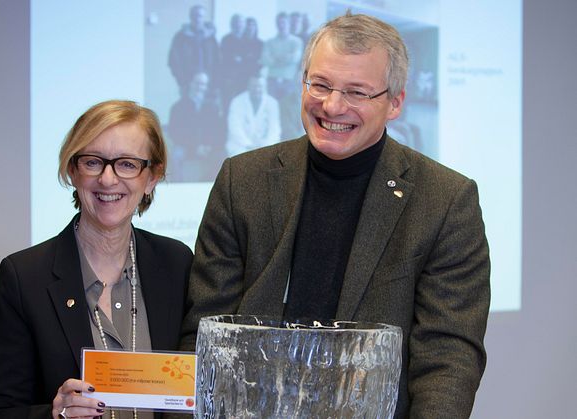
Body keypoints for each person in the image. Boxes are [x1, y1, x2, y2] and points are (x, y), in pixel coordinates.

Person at [180, 12, 490, 418]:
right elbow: (204, 331)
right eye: (320, 84)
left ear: (395, 102)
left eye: (357, 92)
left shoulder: (446, 200)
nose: (332, 105)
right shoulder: (243, 180)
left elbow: (447, 358)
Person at [0, 100, 193, 419]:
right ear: (72, 170)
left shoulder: (177, 263)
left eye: (127, 164)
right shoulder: (23, 277)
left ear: (152, 177)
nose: (108, 180)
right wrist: (55, 414)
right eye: (93, 162)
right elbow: (3, 413)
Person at [167, 72, 225, 182]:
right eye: (197, 83)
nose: (200, 87)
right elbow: (175, 133)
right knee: (176, 155)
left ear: (206, 87)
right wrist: (194, 147)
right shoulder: (178, 107)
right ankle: (178, 189)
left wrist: (208, 146)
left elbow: (217, 131)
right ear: (191, 84)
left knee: (222, 156)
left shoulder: (212, 107)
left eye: (203, 84)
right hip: (186, 147)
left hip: (208, 148)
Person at [168, 5, 219, 96]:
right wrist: (182, 81)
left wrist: (214, 81)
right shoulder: (180, 37)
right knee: (187, 108)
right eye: (195, 15)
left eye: (200, 16)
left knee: (209, 108)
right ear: (190, 17)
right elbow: (173, 61)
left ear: (203, 18)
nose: (197, 19)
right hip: (187, 83)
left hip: (209, 84)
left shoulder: (211, 38)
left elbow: (218, 60)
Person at [225, 74, 281, 157]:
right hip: (241, 145)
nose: (257, 89)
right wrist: (250, 145)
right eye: (254, 86)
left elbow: (274, 130)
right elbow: (234, 128)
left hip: (264, 146)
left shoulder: (272, 103)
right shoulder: (237, 102)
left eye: (260, 86)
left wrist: (265, 146)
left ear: (265, 87)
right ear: (248, 87)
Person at [261, 12, 303, 100]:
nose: (281, 25)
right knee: (272, 107)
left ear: (289, 24)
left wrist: (275, 58)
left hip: (289, 81)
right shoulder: (269, 42)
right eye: (279, 23)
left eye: (283, 23)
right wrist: (285, 58)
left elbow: (294, 59)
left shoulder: (297, 42)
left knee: (286, 109)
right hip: (271, 80)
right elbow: (265, 60)